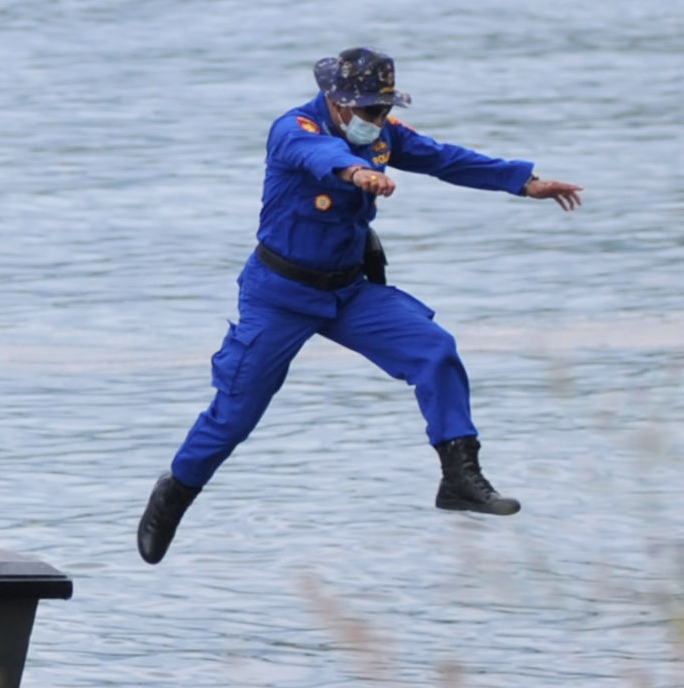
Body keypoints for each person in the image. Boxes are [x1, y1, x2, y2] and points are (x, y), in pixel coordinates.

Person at [136, 47, 585, 565]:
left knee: (434, 350)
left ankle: (459, 477)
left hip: (348, 292)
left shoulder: (383, 133)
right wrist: (358, 174)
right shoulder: (295, 129)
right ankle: (176, 492)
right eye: (369, 110)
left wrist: (524, 183)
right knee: (235, 414)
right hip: (280, 295)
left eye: (383, 109)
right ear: (339, 101)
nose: (379, 119)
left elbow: (444, 158)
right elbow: (320, 158)